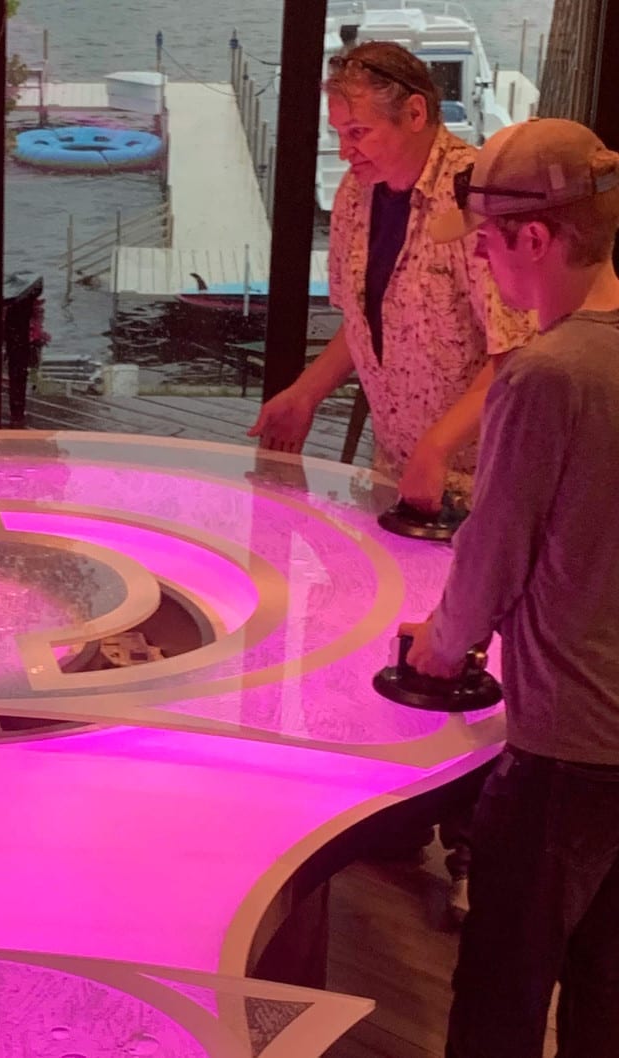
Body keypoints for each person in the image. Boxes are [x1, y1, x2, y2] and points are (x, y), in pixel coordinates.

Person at [401, 117, 619, 1058]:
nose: (484, 265)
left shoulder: (546, 376)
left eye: (486, 243)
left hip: (563, 750)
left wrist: (437, 648)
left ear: (537, 238)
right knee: (607, 996)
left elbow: (491, 556)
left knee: (499, 994)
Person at [249, 41, 534, 511]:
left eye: (358, 132)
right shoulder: (354, 196)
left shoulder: (476, 197)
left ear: (415, 113)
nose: (345, 152)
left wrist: (437, 446)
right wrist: (305, 393)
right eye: (339, 133)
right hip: (395, 469)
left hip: (487, 480)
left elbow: (517, 352)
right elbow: (364, 325)